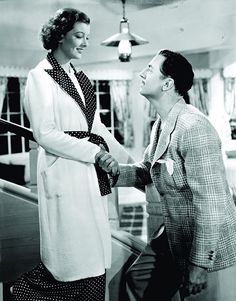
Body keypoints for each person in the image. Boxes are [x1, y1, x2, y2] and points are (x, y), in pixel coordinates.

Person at [100, 49, 236, 300]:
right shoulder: (161, 124)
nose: (142, 73)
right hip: (174, 234)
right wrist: (111, 173)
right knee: (137, 279)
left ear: (168, 83)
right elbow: (146, 171)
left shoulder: (194, 127)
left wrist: (199, 265)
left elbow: (211, 204)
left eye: (149, 69)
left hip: (207, 243)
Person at [11, 8, 127, 301]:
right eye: (79, 35)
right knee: (70, 261)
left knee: (93, 257)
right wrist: (95, 153)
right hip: (65, 171)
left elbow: (96, 125)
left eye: (87, 36)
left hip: (88, 173)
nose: (85, 42)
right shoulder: (40, 76)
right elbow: (45, 134)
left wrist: (127, 160)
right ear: (60, 36)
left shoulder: (80, 77)